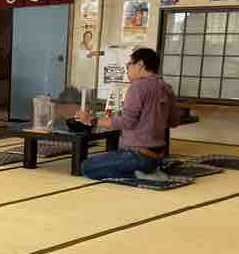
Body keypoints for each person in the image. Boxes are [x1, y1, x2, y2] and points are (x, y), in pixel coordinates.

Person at [76, 47, 180, 180]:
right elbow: (174, 121)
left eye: (129, 64)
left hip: (137, 156)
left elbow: (127, 122)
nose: (127, 68)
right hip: (158, 157)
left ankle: (138, 174)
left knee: (86, 167)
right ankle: (148, 171)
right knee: (110, 159)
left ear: (140, 65)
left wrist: (91, 120)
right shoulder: (166, 87)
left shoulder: (138, 86)